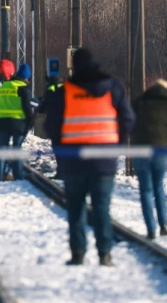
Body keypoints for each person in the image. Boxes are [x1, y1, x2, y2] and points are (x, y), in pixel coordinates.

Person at [42, 48, 134, 267]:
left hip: (74, 162)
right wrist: (114, 142)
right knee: (102, 209)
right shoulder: (112, 87)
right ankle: (104, 254)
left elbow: (51, 126)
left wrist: (61, 149)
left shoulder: (65, 92)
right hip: (104, 161)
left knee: (76, 208)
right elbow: (128, 118)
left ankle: (78, 254)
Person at [131, 79, 167, 239]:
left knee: (145, 190)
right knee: (158, 186)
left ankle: (151, 229)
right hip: (162, 149)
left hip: (141, 149)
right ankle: (164, 224)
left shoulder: (139, 102)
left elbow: (130, 122)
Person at [0, 63, 35, 182]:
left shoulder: (4, 85)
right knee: (17, 149)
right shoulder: (23, 88)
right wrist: (30, 121)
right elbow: (27, 107)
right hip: (18, 122)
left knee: (2, 149)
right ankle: (18, 176)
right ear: (26, 77)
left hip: (2, 121)